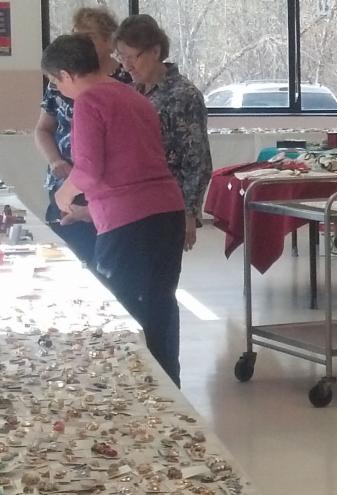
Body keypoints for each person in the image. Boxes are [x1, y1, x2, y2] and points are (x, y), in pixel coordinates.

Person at [42, 34, 185, 386]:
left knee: (124, 309)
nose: (57, 90)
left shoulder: (89, 102)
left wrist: (64, 195)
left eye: (56, 82)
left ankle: (131, 389)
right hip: (167, 212)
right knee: (160, 303)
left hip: (129, 225)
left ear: (67, 75)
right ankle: (169, 388)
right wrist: (88, 211)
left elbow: (89, 171)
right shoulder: (131, 94)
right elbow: (135, 166)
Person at [34, 6, 130, 269]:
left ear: (109, 41)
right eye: (76, 35)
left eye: (88, 37)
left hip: (108, 188)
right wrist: (55, 161)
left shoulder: (125, 81)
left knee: (105, 265)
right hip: (66, 182)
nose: (80, 43)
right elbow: (42, 129)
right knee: (65, 259)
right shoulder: (60, 80)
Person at [114, 15, 212, 252]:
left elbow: (197, 161)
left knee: (156, 271)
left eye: (132, 57)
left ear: (155, 52)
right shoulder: (130, 91)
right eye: (121, 57)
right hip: (130, 204)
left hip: (166, 206)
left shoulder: (182, 95)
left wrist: (189, 213)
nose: (126, 66)